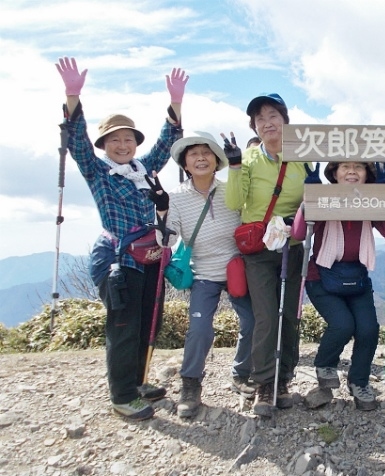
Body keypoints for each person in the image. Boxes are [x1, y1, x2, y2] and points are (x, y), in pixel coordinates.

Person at [55, 57, 188, 420]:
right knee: (124, 324)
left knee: (148, 320)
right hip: (117, 257)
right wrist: (72, 97)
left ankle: (138, 380)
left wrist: (175, 104)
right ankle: (122, 395)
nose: (123, 144)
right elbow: (78, 145)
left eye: (128, 138)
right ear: (104, 145)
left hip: (147, 255)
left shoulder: (142, 171)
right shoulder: (99, 172)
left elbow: (166, 144)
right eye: (114, 140)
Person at [145, 132, 255, 418]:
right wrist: (162, 210)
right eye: (193, 154)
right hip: (203, 273)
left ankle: (241, 374)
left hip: (236, 269)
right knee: (200, 329)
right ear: (185, 163)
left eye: (207, 152)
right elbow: (166, 242)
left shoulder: (231, 190)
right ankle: (190, 384)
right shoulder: (177, 197)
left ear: (217, 159)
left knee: (253, 322)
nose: (201, 158)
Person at [291, 162, 385, 410]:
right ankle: (324, 365)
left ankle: (359, 382)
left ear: (367, 176)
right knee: (342, 324)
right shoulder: (325, 200)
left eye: (358, 168)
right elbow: (299, 233)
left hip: (357, 279)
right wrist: (310, 198)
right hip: (320, 277)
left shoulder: (371, 202)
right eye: (345, 167)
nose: (351, 172)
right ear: (334, 174)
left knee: (369, 330)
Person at [224, 93, 307, 416]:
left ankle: (283, 380)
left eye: (272, 115)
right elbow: (234, 202)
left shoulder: (304, 156)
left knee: (290, 315)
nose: (267, 123)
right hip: (258, 249)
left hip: (294, 246)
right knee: (266, 315)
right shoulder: (248, 159)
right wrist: (233, 166)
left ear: (285, 119)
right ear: (254, 126)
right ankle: (263, 383)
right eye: (260, 119)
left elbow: (314, 195)